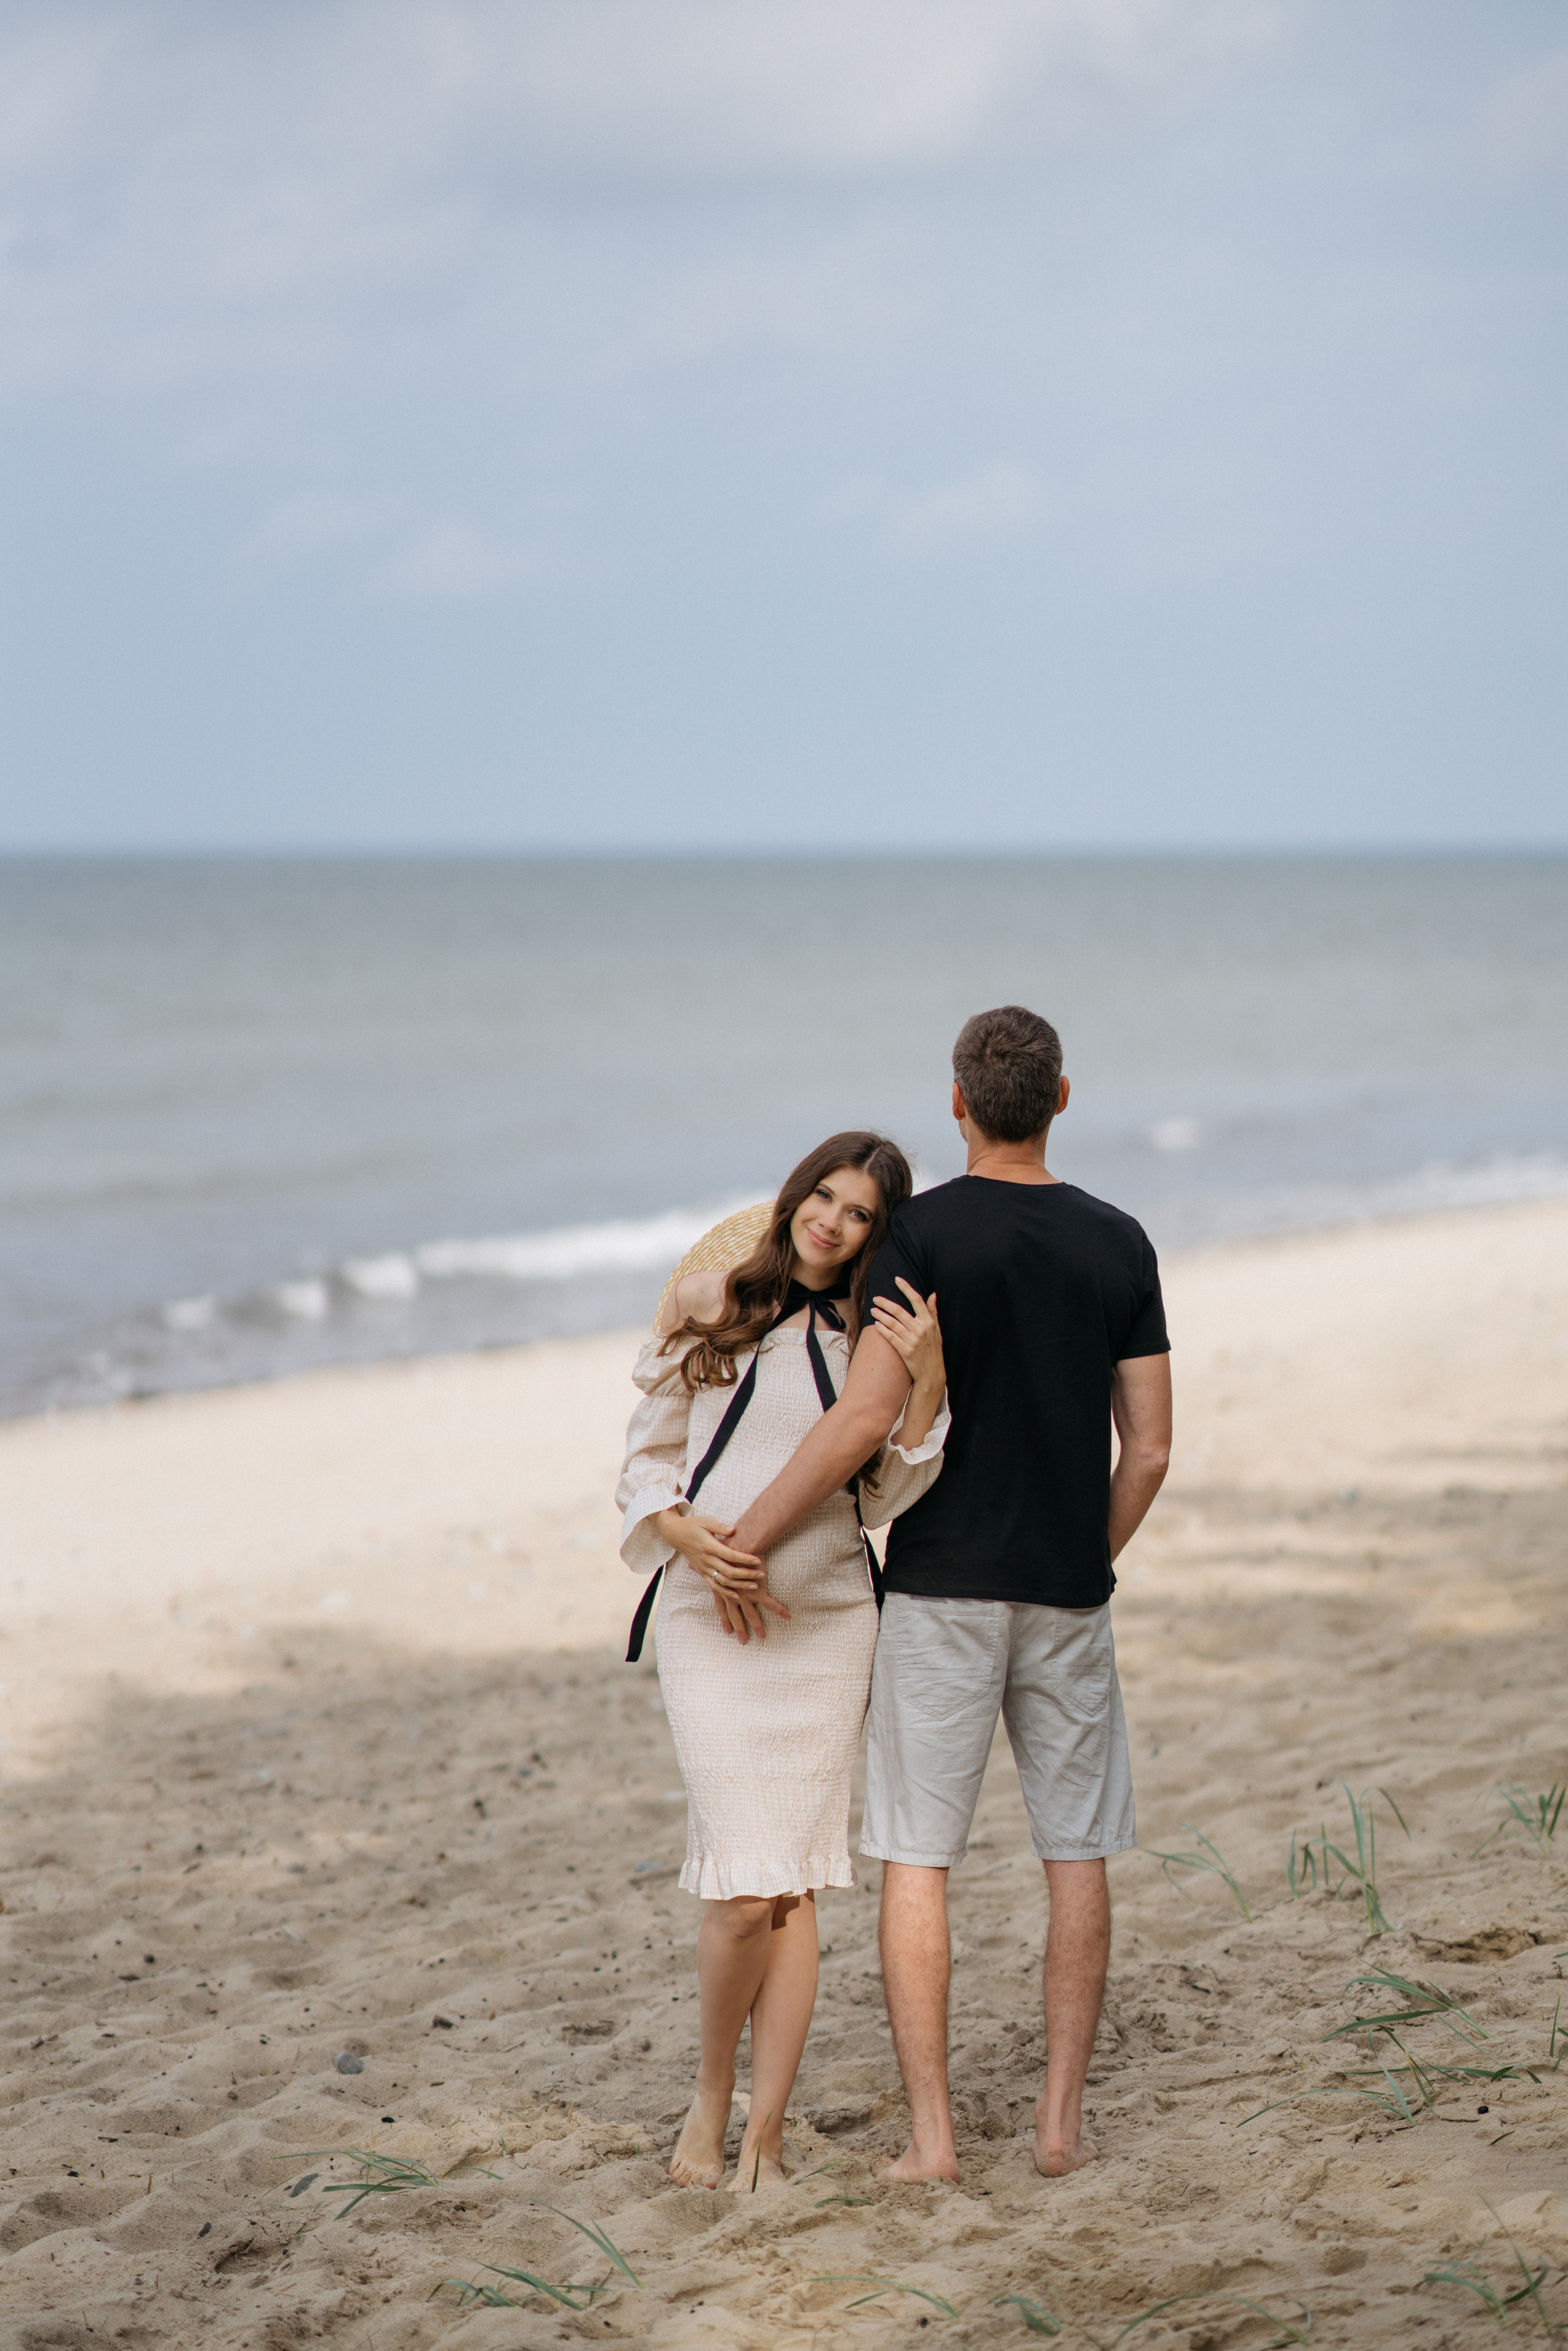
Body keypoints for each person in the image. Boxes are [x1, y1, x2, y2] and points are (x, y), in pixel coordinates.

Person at [720, 1008, 1172, 2184]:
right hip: (1068, 1595)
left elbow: (865, 1415)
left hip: (938, 1592)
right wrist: (1092, 1555)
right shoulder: (1120, 1241)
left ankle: (934, 2140)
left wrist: (749, 1535)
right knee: (1077, 1854)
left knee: (920, 1858)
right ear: (1062, 1097)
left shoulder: (918, 1234)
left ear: (958, 1102)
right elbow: (1153, 1449)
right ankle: (1060, 2126)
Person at [615, 1132, 950, 2192]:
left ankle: (765, 2127)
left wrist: (930, 1385)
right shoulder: (712, 1307)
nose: (833, 1221)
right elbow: (645, 1454)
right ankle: (712, 2094)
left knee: (794, 1884)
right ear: (796, 1193)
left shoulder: (875, 1339)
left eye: (859, 1213)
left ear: (873, 1234)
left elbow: (888, 1495)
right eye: (825, 1196)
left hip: (827, 1614)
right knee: (738, 1887)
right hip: (710, 1615)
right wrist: (683, 1536)